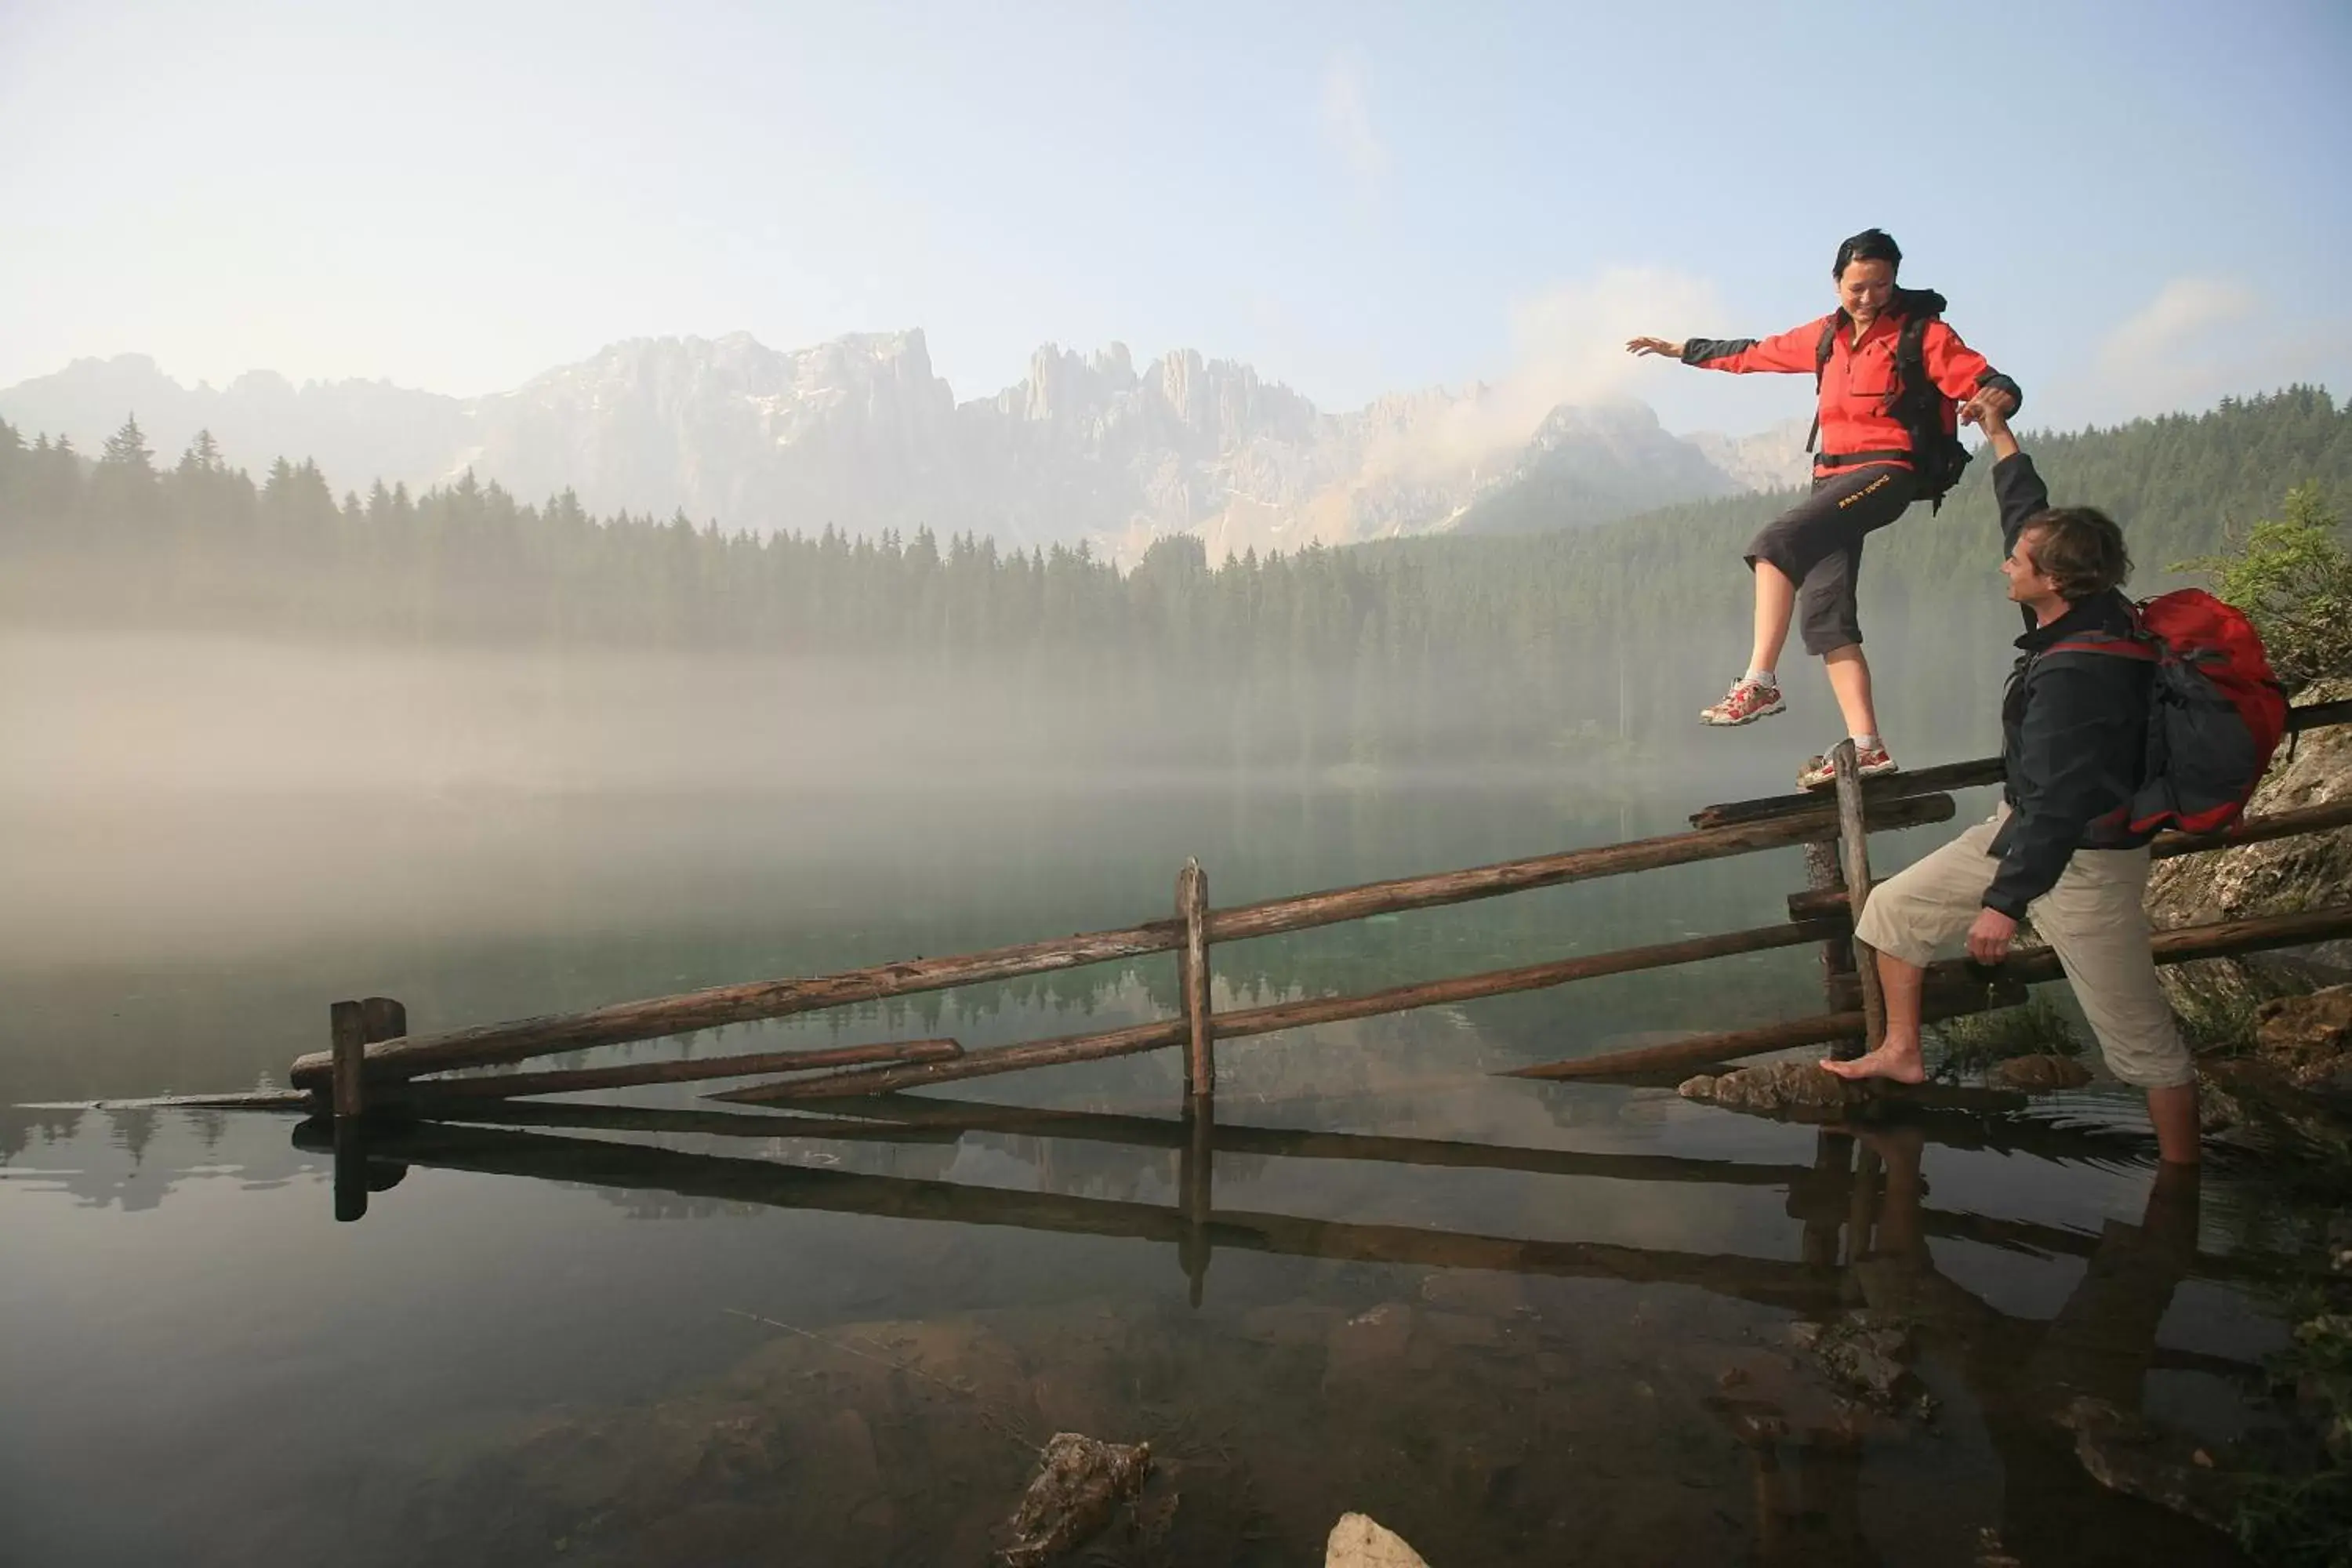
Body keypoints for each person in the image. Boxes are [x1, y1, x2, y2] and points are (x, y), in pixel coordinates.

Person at [1820, 396, 2201, 1166]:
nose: (2005, 563)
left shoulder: (2080, 671)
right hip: (2020, 832)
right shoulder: (2087, 613)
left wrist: (2003, 904)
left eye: (2017, 561)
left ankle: (2183, 1183)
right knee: (1891, 912)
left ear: (2052, 579)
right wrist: (1997, 435)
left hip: (2084, 861)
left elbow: (2065, 803)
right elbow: (2029, 514)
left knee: (2141, 1043)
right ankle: (1902, 1049)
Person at [1627, 228, 2022, 786]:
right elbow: (1753, 353)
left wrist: (1995, 395)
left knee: (1774, 544)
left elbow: (1984, 377)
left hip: (1887, 472)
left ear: (1894, 282)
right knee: (1826, 619)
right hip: (1830, 480)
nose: (1868, 297)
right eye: (1858, 286)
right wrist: (1682, 350)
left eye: (1881, 285)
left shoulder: (1922, 333)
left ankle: (1759, 681)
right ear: (1837, 282)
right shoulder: (1824, 337)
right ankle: (1869, 749)